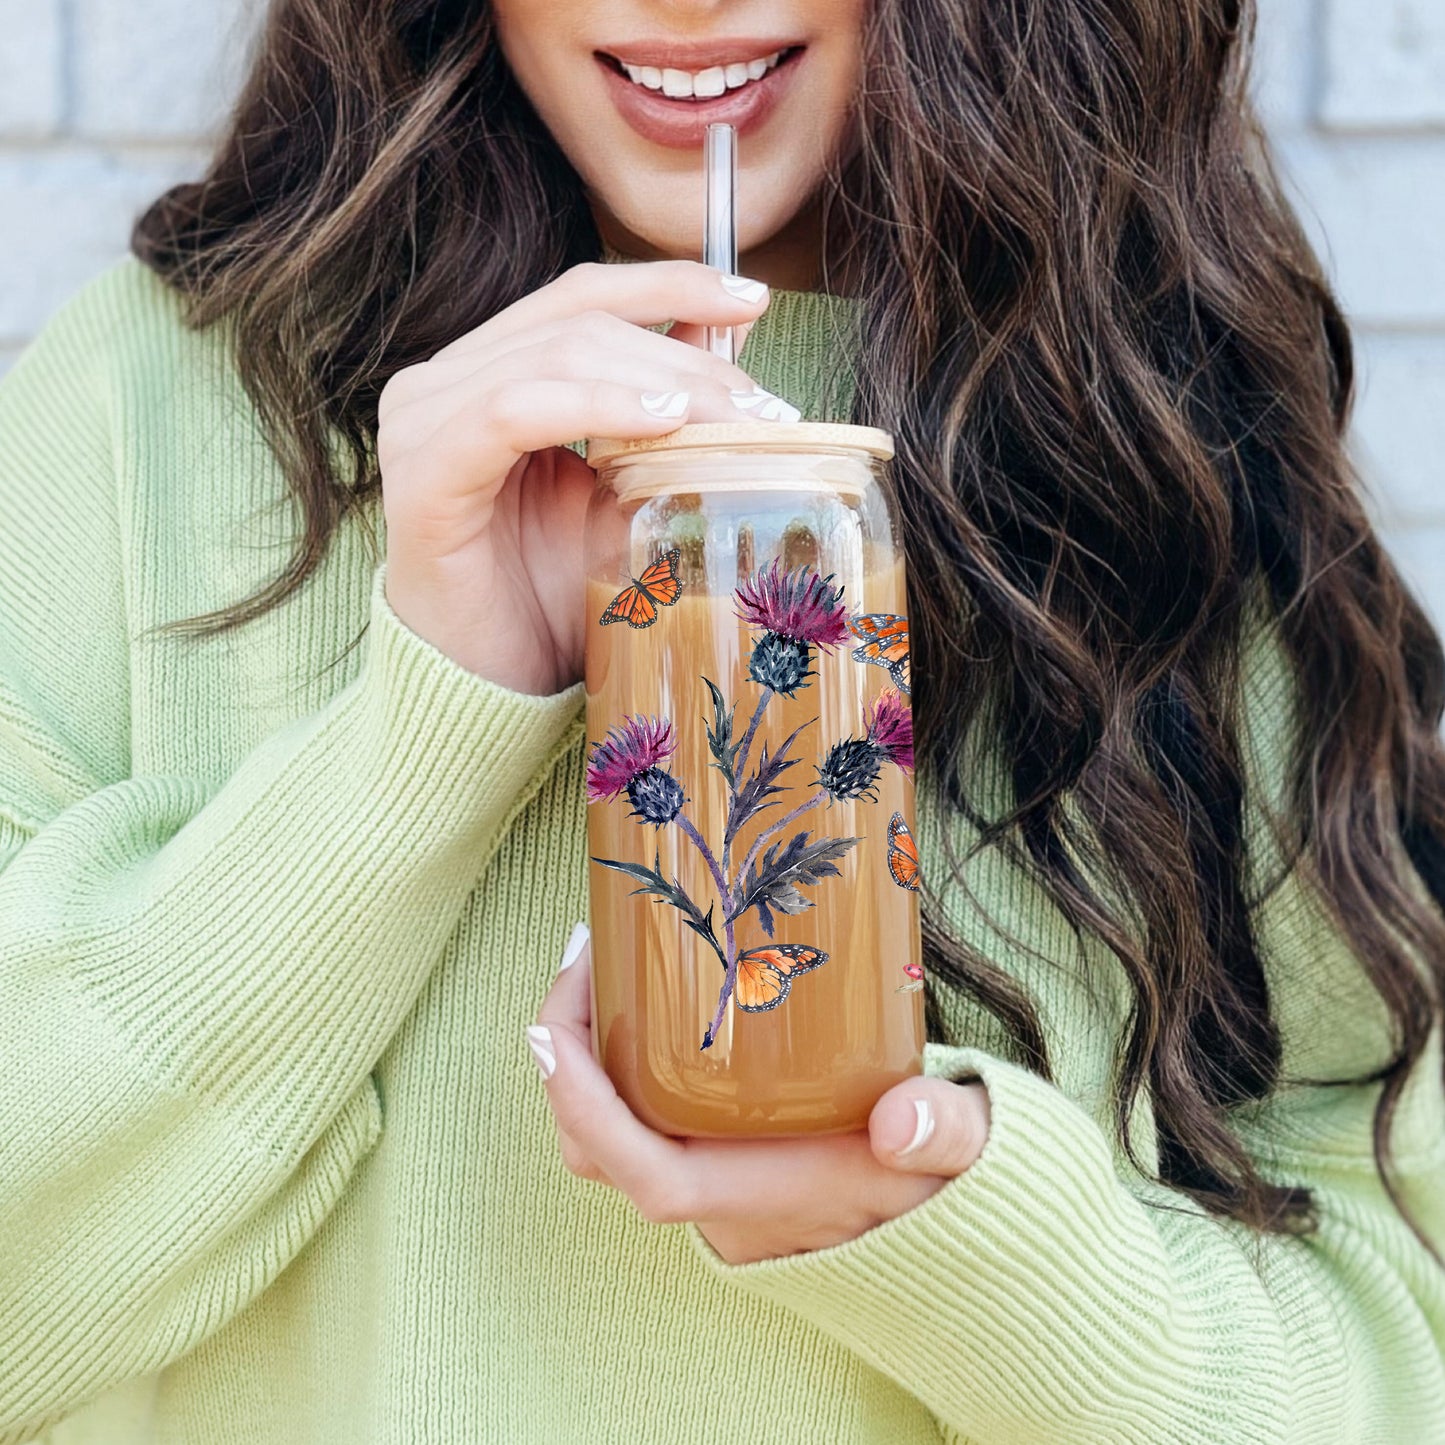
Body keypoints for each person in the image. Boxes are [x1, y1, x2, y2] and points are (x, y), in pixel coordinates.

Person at [1, 0, 1442, 1439]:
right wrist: (425, 725)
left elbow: (1400, 1360)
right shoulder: (155, 405)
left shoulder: (1164, 470)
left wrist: (975, 1253)